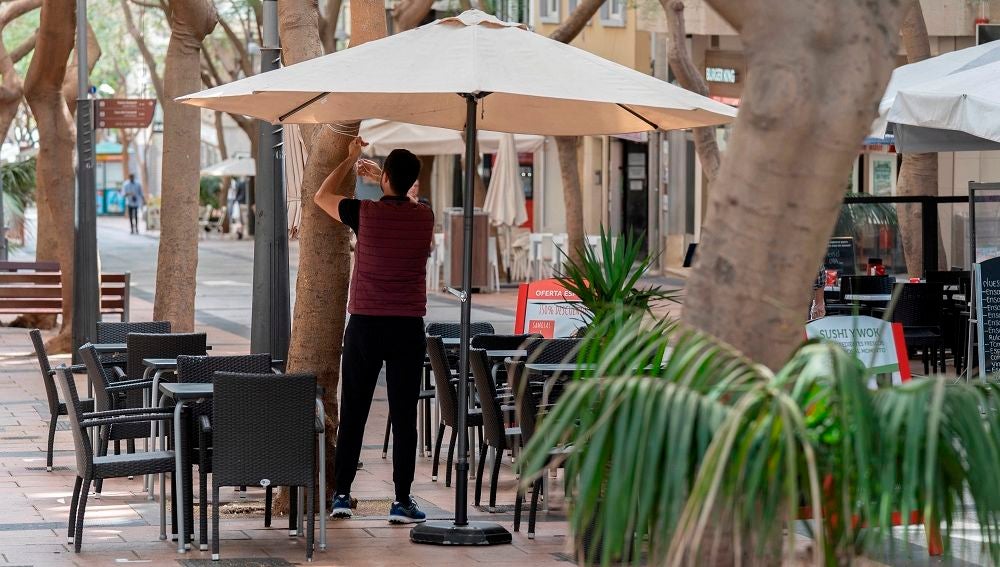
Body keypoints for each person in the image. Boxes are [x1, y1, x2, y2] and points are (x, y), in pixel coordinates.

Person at [314, 137, 433, 525]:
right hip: (407, 329)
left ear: (384, 178)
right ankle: (401, 500)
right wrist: (386, 181)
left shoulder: (363, 213)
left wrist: (350, 160)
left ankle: (343, 495)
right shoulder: (424, 216)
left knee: (354, 412)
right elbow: (410, 204)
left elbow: (321, 195)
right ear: (413, 181)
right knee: (404, 416)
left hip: (365, 324)